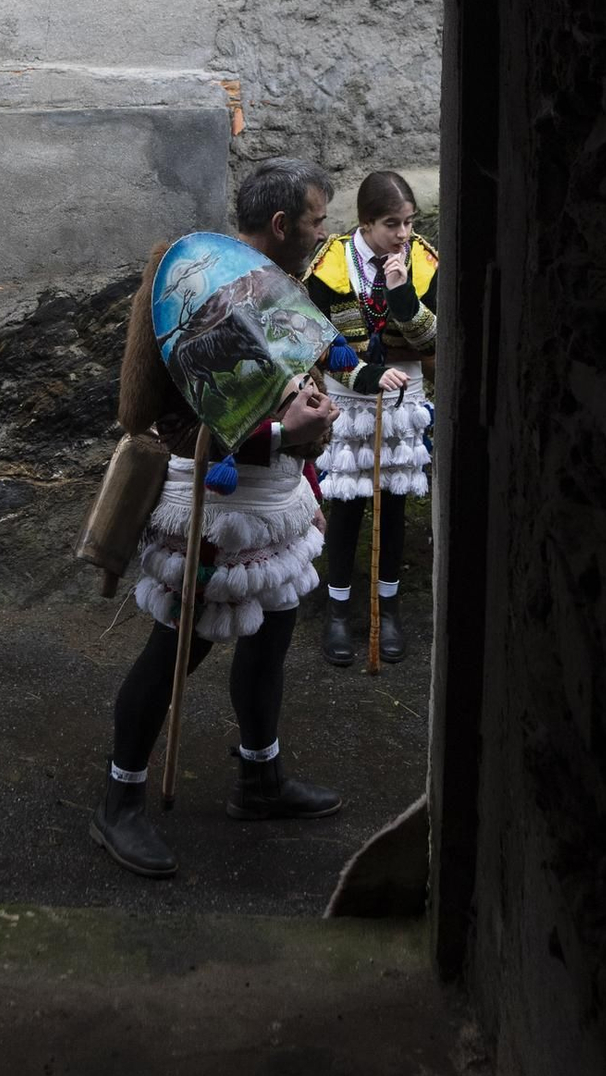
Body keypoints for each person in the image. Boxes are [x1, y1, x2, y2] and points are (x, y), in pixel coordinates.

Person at [92, 157, 348, 881]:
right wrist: (273, 435)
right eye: (315, 220)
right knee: (177, 650)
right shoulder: (180, 279)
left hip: (275, 503)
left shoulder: (287, 286)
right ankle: (119, 799)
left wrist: (314, 427)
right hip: (210, 504)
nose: (323, 233)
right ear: (280, 224)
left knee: (271, 638)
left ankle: (258, 780)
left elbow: (304, 385)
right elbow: (144, 414)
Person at [304, 169, 438, 666]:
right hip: (350, 399)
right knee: (347, 507)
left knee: (394, 504)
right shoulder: (330, 264)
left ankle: (390, 609)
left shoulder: (422, 260)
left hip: (403, 399)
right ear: (365, 223)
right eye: (391, 224)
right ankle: (338, 611)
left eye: (409, 222)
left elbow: (431, 343)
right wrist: (361, 375)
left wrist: (403, 296)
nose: (404, 234)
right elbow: (313, 334)